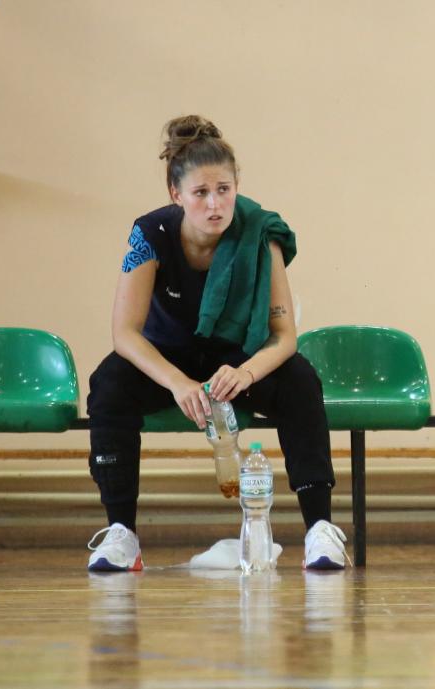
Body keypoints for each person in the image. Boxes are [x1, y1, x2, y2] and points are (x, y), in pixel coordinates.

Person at [85, 115, 347, 572]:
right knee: (109, 383)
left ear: (237, 186)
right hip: (171, 359)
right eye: (201, 192)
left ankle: (319, 530)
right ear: (176, 194)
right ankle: (122, 534)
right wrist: (178, 383)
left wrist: (246, 372)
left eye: (224, 189)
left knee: (300, 380)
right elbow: (125, 333)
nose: (214, 204)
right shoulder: (149, 235)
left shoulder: (260, 233)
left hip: (236, 361)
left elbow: (284, 337)